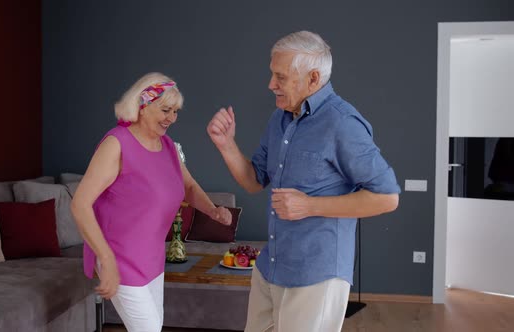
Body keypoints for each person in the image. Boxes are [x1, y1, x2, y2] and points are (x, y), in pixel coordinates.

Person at [207, 31, 400, 332]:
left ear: (312, 79)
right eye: (272, 74)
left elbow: (387, 197)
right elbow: (254, 181)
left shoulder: (343, 123)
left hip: (316, 276)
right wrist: (226, 145)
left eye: (280, 77)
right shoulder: (280, 119)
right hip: (270, 268)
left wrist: (309, 205)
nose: (271, 84)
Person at [71, 72, 232, 332]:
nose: (171, 118)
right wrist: (106, 259)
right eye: (165, 109)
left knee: (153, 326)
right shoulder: (117, 144)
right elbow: (79, 204)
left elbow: (188, 186)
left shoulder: (167, 146)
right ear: (142, 106)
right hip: (119, 256)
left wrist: (212, 211)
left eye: (176, 111)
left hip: (151, 258)